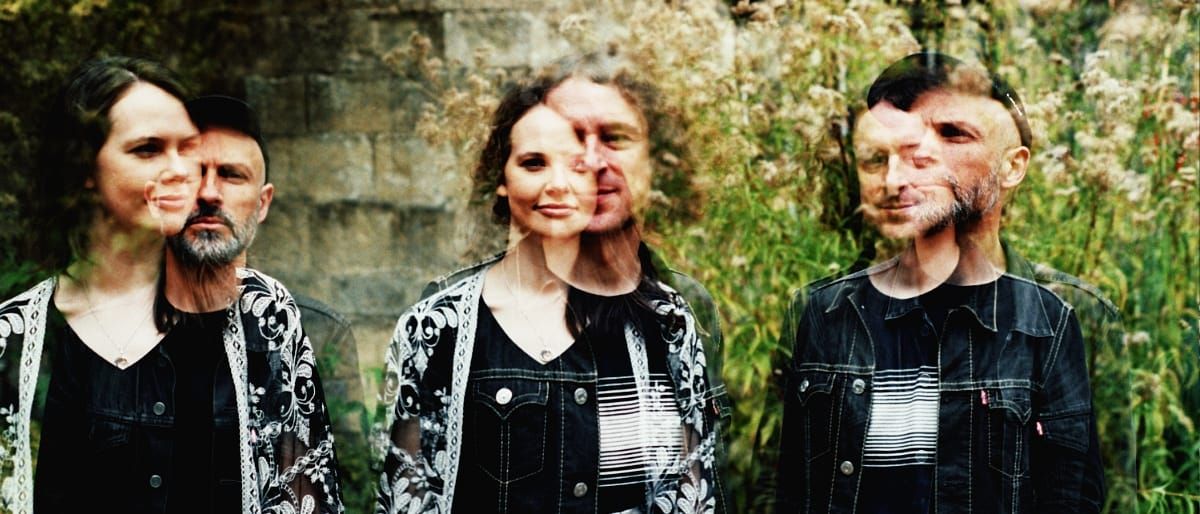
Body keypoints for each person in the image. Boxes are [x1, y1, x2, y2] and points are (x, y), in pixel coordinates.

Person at [0, 57, 342, 514]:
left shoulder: (265, 318)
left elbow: (306, 496)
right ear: (82, 167)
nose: (185, 175)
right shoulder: (17, 340)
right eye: (149, 149)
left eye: (186, 150)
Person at [376, 75, 723, 513]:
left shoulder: (666, 323)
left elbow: (693, 491)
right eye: (533, 163)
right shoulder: (437, 327)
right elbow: (406, 493)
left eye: (575, 166)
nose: (558, 184)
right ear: (501, 177)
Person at [775, 52, 1105, 513]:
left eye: (952, 134)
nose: (916, 161)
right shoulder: (825, 313)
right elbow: (787, 488)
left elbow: (1078, 497)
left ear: (1013, 166)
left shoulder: (1061, 320)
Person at [181, 94, 370, 510]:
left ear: (263, 202)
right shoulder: (114, 330)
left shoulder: (317, 333)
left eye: (231, 175)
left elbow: (345, 485)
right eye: (193, 174)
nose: (209, 193)